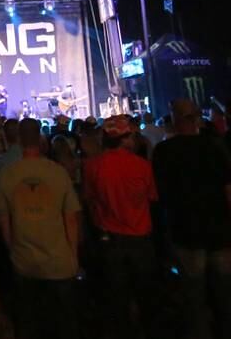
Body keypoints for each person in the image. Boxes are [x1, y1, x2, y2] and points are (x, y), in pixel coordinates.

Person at [0, 118, 81, 339]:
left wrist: (13, 250)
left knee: (30, 325)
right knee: (63, 326)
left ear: (19, 140)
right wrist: (73, 256)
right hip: (59, 264)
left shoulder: (7, 174)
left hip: (25, 263)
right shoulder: (58, 172)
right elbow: (71, 218)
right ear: (41, 139)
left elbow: (3, 222)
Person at [153, 99, 231, 339]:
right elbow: (228, 189)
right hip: (219, 230)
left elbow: (159, 194)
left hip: (185, 231)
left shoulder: (164, 151)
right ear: (197, 118)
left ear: (174, 119)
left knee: (194, 297)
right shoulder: (216, 147)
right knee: (225, 294)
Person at [82, 115, 158, 339]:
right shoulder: (142, 166)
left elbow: (88, 199)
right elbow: (152, 198)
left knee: (116, 301)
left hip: (110, 240)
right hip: (141, 239)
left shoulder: (92, 166)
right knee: (146, 298)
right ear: (126, 139)